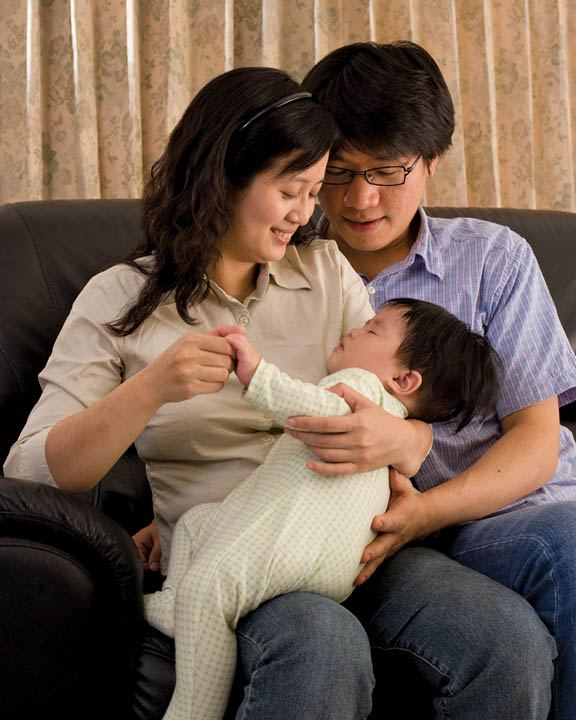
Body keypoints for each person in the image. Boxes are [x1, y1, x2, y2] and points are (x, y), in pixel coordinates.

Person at [4, 67, 384, 719]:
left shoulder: (326, 273)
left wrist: (405, 459)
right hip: (233, 561)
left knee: (501, 636)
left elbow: (388, 408)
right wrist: (152, 388)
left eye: (313, 192)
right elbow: (31, 472)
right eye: (291, 190)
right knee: (319, 638)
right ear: (224, 174)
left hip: (350, 545)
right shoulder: (119, 299)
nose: (307, 213)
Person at [294, 40, 576, 718]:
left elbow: (537, 443)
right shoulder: (291, 268)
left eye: (387, 171)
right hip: (376, 535)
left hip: (514, 507)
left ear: (431, 161)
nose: (360, 198)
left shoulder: (493, 259)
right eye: (339, 171)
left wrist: (425, 510)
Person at [144, 298, 501, 720]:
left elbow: (316, 411)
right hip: (338, 562)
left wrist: (258, 376)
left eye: (371, 330)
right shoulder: (391, 416)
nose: (354, 330)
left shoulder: (361, 386)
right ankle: (174, 601)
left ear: (403, 379)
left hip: (299, 541)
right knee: (195, 521)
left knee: (206, 590)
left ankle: (191, 710)